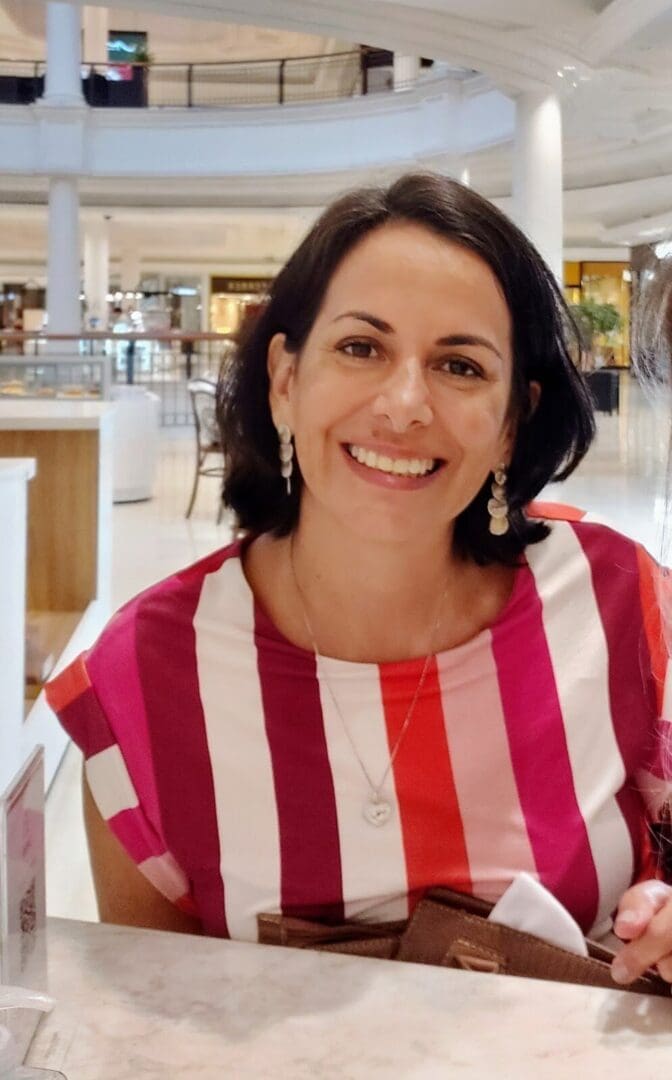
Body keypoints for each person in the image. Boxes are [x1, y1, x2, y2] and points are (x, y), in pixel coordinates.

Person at [47, 173, 672, 988]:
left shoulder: (622, 603)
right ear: (284, 379)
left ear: (513, 421)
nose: (404, 404)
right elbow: (155, 1023)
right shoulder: (144, 680)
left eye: (458, 364)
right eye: (361, 347)